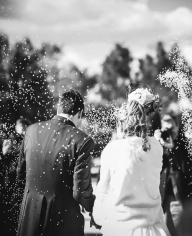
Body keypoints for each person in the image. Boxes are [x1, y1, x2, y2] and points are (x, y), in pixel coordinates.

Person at [16, 89, 96, 236]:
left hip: (29, 216)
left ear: (58, 108)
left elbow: (21, 174)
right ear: (79, 113)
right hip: (63, 220)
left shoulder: (31, 130)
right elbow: (80, 190)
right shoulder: (82, 140)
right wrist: (93, 208)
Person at [92, 89, 170, 236]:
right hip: (155, 230)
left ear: (122, 123)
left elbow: (103, 191)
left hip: (120, 229)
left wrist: (98, 217)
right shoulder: (156, 148)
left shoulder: (112, 149)